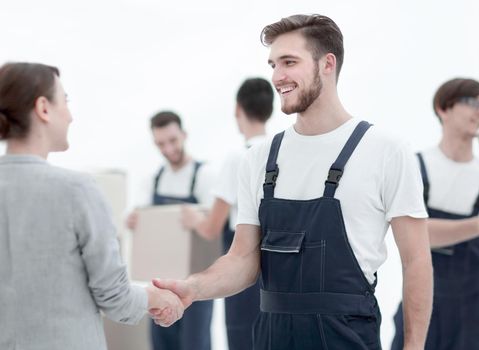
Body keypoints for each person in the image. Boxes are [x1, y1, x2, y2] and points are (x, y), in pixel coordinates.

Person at [152, 14, 433, 350]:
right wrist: (194, 288)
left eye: (289, 62)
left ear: (327, 64)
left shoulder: (386, 151)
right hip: (270, 336)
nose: (276, 76)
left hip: (346, 338)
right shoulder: (259, 159)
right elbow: (243, 259)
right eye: (272, 64)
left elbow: (415, 261)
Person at [0, 62, 182, 350]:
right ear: (44, 108)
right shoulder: (76, 190)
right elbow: (115, 297)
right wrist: (157, 298)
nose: (70, 116)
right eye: (66, 101)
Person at [391, 78, 479, 350]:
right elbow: (414, 235)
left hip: (476, 302)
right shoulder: (415, 166)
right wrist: (478, 226)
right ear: (443, 108)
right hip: (425, 300)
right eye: (472, 102)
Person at [181, 77, 274, 350]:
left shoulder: (238, 158)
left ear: (237, 109)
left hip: (244, 266)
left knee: (244, 339)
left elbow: (212, 227)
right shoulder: (283, 150)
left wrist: (192, 219)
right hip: (281, 268)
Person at [126, 111, 215, 350]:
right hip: (161, 283)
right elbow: (143, 227)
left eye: (173, 141)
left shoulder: (205, 176)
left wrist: (197, 220)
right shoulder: (153, 180)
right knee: (162, 344)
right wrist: (135, 221)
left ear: (184, 135)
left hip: (196, 283)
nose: (168, 149)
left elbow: (216, 230)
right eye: (160, 144)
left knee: (195, 344)